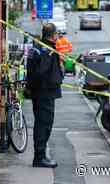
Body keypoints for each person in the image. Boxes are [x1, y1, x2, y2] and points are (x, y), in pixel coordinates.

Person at [26, 23, 64, 168]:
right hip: (44, 93)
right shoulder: (46, 50)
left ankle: (40, 156)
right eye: (57, 34)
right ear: (53, 35)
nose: (57, 36)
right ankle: (39, 158)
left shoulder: (38, 47)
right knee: (44, 125)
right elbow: (42, 71)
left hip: (41, 92)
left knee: (43, 124)